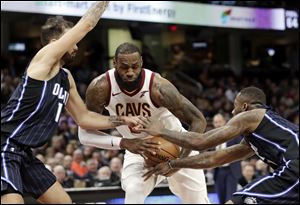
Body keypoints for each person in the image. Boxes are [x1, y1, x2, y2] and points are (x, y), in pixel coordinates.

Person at [1, 2, 146, 204]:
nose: (77, 46)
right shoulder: (43, 60)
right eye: (72, 40)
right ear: (54, 43)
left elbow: (84, 118)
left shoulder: (66, 77)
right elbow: (86, 24)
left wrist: (124, 120)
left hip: (23, 153)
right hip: (5, 144)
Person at [78, 42, 210, 203]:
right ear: (115, 64)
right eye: (124, 67)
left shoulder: (159, 87)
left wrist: (178, 161)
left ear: (141, 62)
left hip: (177, 144)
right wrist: (125, 142)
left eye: (134, 66)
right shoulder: (100, 88)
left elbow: (199, 121)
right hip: (139, 148)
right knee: (134, 190)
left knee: (198, 201)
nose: (130, 72)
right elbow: (84, 134)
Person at [141, 86, 299, 204]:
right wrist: (173, 163)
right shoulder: (258, 136)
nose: (231, 112)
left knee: (238, 201)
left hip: (294, 169)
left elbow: (201, 142)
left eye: (234, 106)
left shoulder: (251, 116)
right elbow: (215, 158)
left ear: (244, 107)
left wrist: (162, 131)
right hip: (292, 171)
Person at [212, 114, 242, 204]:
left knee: (229, 199)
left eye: (220, 122)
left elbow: (242, 147)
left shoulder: (233, 134)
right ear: (213, 124)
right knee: (221, 199)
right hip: (218, 171)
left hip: (231, 170)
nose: (218, 124)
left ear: (225, 122)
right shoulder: (212, 137)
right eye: (216, 122)